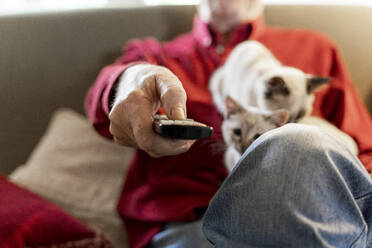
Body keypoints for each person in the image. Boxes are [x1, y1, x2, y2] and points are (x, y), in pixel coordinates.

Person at [85, 0, 372, 247]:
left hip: (320, 214)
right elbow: (103, 101)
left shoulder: (316, 49)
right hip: (197, 227)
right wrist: (131, 85)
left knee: (295, 141)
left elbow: (364, 152)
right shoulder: (156, 57)